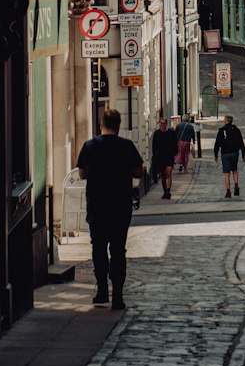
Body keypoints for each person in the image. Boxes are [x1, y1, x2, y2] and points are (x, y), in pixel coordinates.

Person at [76, 108, 144, 310]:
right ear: (119, 125)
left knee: (98, 248)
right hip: (120, 206)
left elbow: (81, 174)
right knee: (118, 249)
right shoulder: (126, 146)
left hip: (97, 205)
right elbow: (139, 172)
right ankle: (118, 296)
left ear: (101, 124)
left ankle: (102, 291)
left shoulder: (90, 146)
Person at [214, 113, 245, 198]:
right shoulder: (236, 130)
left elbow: (217, 143)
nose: (223, 121)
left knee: (227, 173)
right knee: (234, 170)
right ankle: (236, 186)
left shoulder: (221, 130)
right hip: (234, 153)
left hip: (225, 154)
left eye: (224, 119)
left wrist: (215, 154)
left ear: (226, 121)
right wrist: (243, 154)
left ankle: (228, 191)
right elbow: (241, 142)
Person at [151, 116, 178, 199]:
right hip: (160, 157)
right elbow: (154, 146)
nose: (162, 125)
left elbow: (175, 144)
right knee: (163, 175)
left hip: (169, 156)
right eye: (161, 123)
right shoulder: (156, 134)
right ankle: (165, 191)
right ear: (159, 124)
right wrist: (155, 156)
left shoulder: (171, 133)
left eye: (164, 123)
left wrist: (174, 154)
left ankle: (168, 191)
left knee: (168, 173)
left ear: (166, 124)